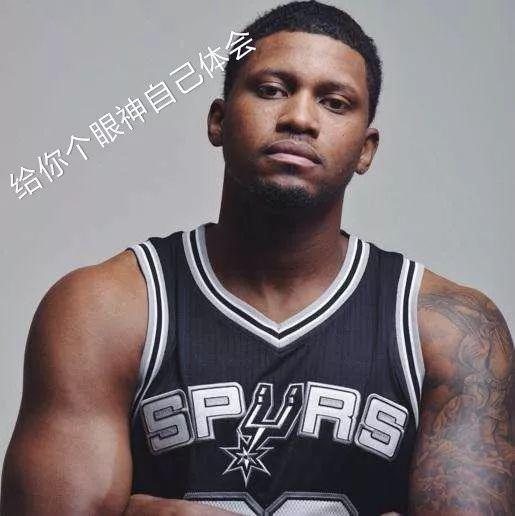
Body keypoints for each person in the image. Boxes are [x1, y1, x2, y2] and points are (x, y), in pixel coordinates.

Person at [1, 1, 513, 514]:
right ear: (218, 120)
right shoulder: (102, 311)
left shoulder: (451, 331)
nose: (299, 118)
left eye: (335, 102)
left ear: (366, 149)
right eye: (271, 90)